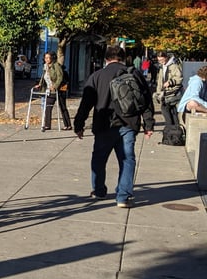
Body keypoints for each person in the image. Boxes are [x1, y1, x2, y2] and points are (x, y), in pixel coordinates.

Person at [73, 45, 154, 208]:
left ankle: (99, 190)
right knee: (127, 160)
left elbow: (86, 103)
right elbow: (145, 100)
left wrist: (79, 124)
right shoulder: (134, 74)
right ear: (123, 58)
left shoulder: (97, 76)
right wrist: (149, 124)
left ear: (106, 59)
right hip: (129, 123)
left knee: (99, 159)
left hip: (104, 124)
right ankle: (123, 197)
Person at [34, 51, 63, 130]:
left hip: (55, 90)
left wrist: (55, 86)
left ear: (52, 58)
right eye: (45, 58)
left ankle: (67, 125)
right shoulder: (45, 66)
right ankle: (47, 125)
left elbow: (60, 77)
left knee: (61, 107)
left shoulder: (56, 66)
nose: (46, 59)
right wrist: (40, 84)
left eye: (48, 58)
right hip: (48, 90)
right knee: (47, 107)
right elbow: (44, 76)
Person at [155, 51, 183, 125]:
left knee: (165, 108)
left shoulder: (174, 66)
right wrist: (158, 92)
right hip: (166, 92)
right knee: (172, 111)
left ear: (166, 58)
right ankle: (175, 129)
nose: (160, 62)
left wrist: (170, 82)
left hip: (172, 92)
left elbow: (179, 78)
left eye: (162, 60)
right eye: (159, 60)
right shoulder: (162, 67)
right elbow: (160, 81)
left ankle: (170, 127)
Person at [58, 65, 72, 130]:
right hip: (63, 90)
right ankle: (68, 124)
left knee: (63, 107)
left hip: (61, 90)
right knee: (63, 107)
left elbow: (65, 81)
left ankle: (67, 124)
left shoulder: (61, 74)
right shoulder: (65, 73)